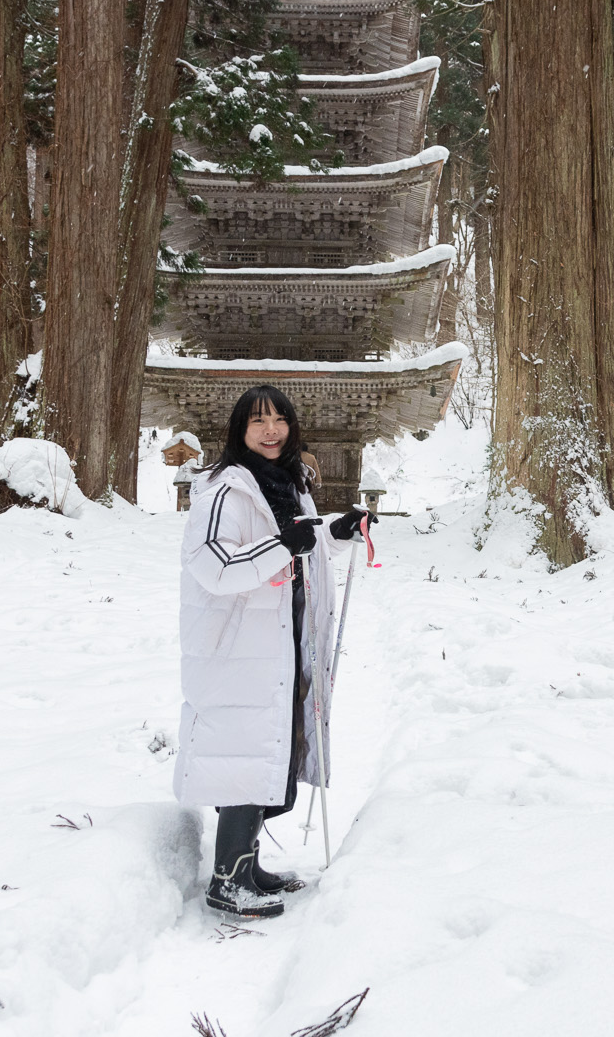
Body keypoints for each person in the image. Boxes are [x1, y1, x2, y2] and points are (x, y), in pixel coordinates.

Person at [174, 385, 375, 919]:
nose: (271, 430)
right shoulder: (225, 491)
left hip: (281, 638)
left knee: (273, 750)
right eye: (258, 421)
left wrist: (334, 530)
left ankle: (248, 864)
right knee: (246, 753)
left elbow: (300, 538)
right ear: (240, 429)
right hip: (239, 646)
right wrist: (285, 545)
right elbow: (214, 566)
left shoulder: (289, 480)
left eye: (279, 419)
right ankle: (227, 881)